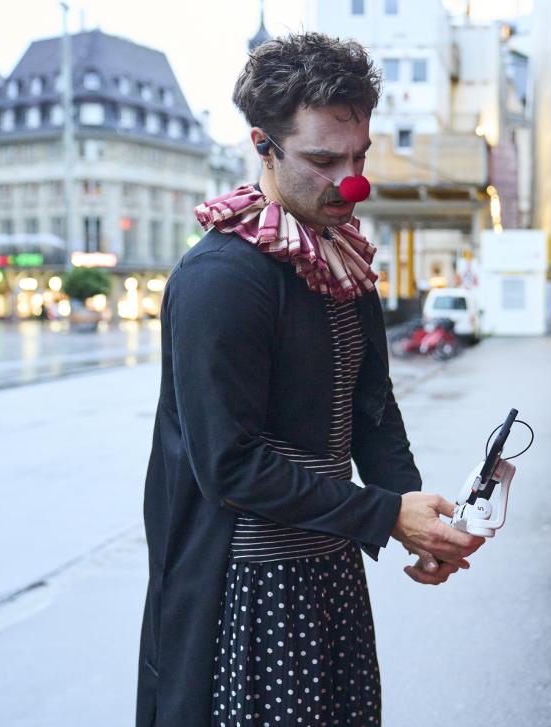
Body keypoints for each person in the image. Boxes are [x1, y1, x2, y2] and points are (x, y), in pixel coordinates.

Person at [136, 33, 485, 727]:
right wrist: (384, 515)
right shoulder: (221, 279)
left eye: (360, 158)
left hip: (329, 566)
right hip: (248, 591)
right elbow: (230, 465)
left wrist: (413, 514)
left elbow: (372, 409)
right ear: (263, 146)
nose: (350, 182)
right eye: (324, 160)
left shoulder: (342, 261)